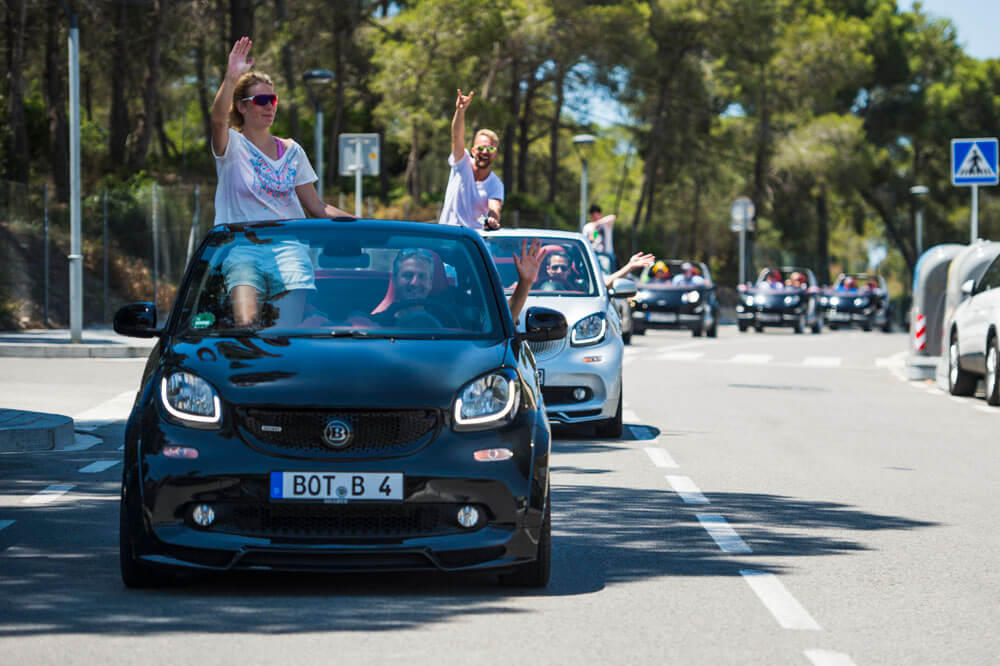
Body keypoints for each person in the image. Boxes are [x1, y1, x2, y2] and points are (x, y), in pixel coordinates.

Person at [211, 37, 352, 327]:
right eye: (261, 101)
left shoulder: (292, 150)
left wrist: (361, 223)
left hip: (288, 248)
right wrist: (231, 77)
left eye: (272, 100)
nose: (269, 107)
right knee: (247, 325)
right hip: (242, 247)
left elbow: (316, 207)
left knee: (284, 332)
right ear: (242, 107)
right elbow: (217, 121)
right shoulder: (232, 145)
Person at [438, 89, 504, 231]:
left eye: (490, 149)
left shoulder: (495, 184)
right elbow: (457, 136)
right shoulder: (461, 163)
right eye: (481, 148)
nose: (485, 152)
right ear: (473, 151)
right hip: (446, 234)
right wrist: (460, 111)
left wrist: (492, 219)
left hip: (471, 239)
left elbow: (495, 209)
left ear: (495, 154)